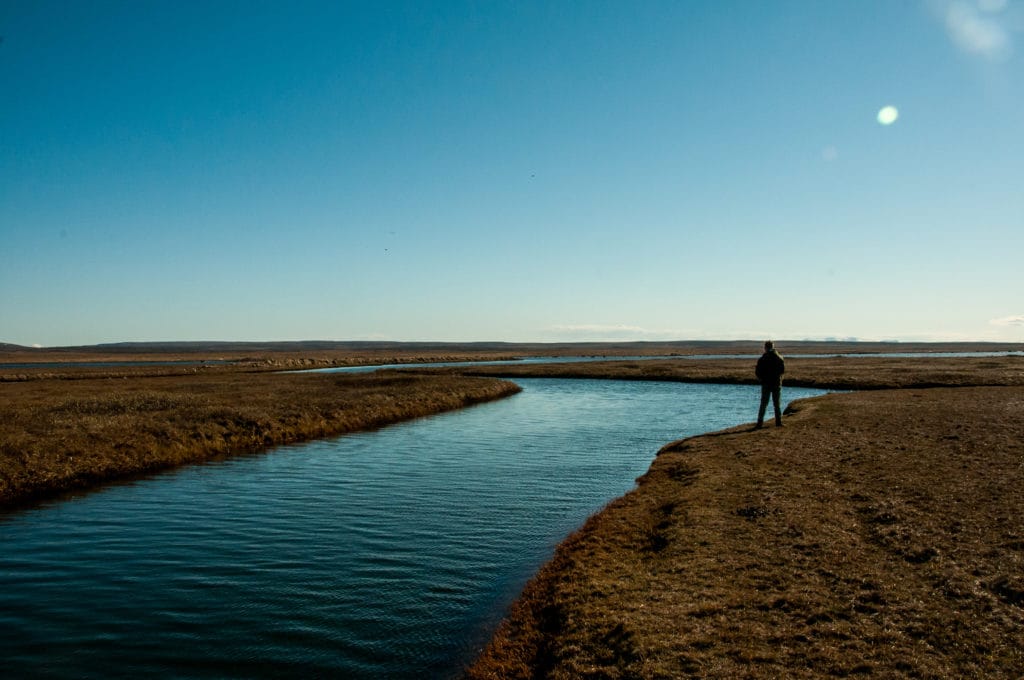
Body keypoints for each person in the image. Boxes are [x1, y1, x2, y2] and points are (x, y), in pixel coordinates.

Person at [755, 340, 785, 428]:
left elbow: (757, 372)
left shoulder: (762, 359)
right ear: (773, 347)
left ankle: (759, 423)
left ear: (765, 348)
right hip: (776, 383)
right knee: (777, 404)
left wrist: (762, 380)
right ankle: (778, 422)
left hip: (766, 384)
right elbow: (782, 371)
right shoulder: (779, 358)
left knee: (763, 404)